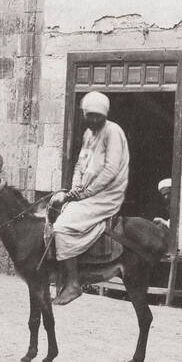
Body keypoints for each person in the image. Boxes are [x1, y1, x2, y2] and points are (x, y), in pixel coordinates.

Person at [51, 91, 130, 306]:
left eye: (98, 116)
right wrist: (75, 188)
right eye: (90, 115)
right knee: (54, 207)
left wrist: (84, 193)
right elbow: (80, 164)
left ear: (104, 115)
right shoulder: (88, 134)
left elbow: (110, 170)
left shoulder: (113, 132)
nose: (94, 120)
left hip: (106, 195)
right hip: (86, 192)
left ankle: (74, 283)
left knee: (62, 227)